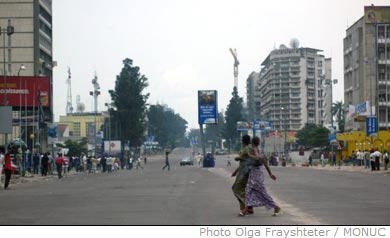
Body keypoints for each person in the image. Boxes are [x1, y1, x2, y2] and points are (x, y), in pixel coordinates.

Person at [244, 137, 281, 216]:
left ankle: (276, 206)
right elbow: (266, 164)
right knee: (249, 191)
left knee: (260, 192)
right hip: (255, 174)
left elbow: (257, 158)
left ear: (252, 143)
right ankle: (247, 208)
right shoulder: (261, 151)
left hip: (256, 175)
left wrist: (250, 155)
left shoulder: (255, 151)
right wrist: (270, 174)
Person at [231, 135, 257, 216]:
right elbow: (244, 161)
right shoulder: (249, 149)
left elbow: (241, 158)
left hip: (244, 172)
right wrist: (235, 171)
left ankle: (246, 206)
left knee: (236, 188)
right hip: (245, 171)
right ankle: (249, 208)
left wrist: (237, 158)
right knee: (244, 189)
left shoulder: (246, 149)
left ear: (242, 141)